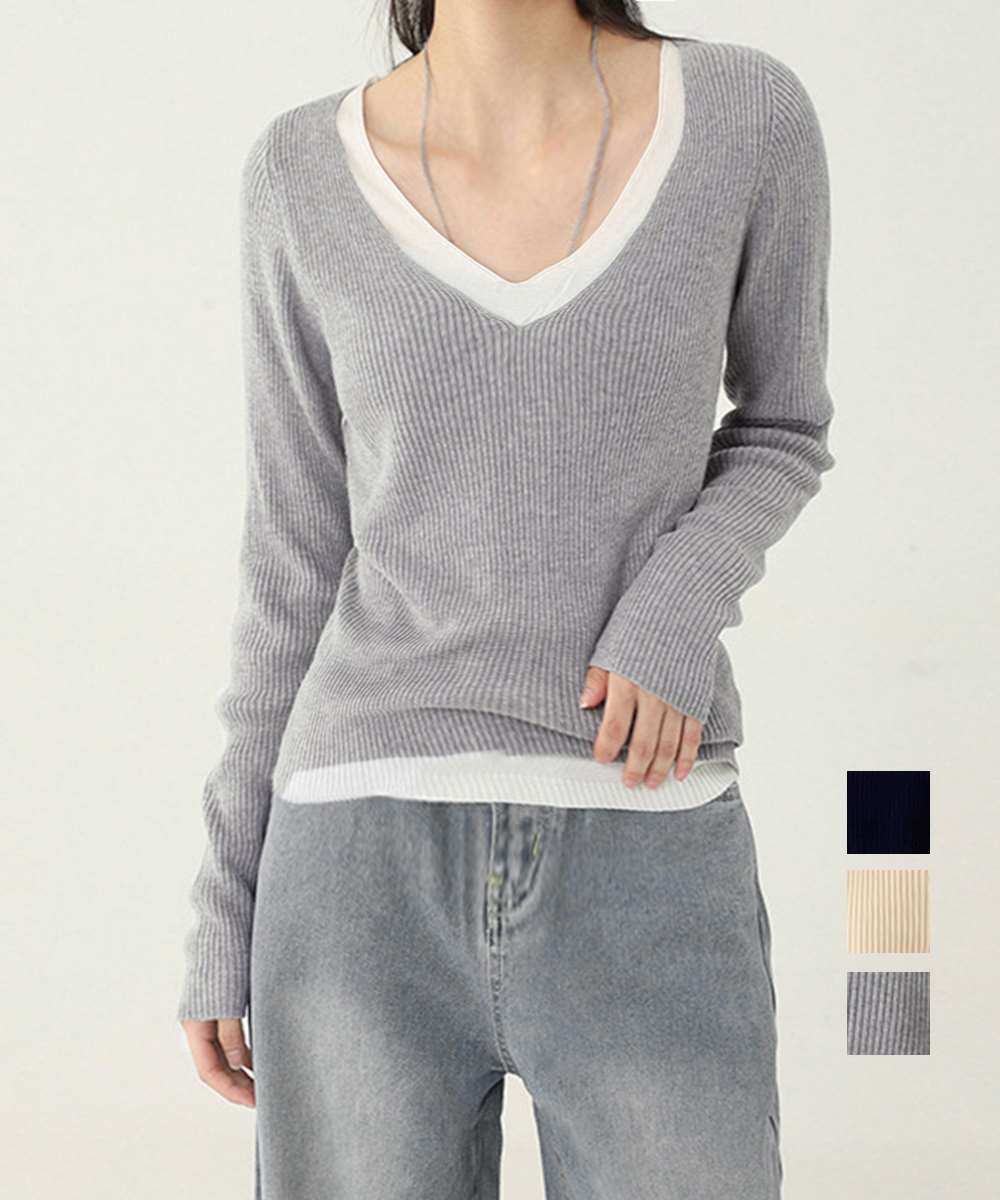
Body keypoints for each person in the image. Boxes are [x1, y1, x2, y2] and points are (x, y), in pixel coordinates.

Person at [178, 1, 835, 1196]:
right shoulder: (297, 170)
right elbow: (292, 550)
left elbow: (782, 426)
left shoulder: (744, 115)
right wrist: (228, 904)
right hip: (354, 869)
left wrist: (674, 606)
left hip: (644, 832)